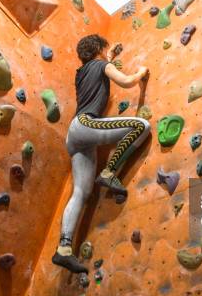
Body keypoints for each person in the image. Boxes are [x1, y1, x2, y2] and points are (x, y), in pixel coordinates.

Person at [52, 34, 151, 274]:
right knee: (141, 126)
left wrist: (109, 55)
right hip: (87, 124)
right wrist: (141, 72)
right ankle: (109, 172)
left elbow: (98, 65)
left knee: (81, 192)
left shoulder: (82, 72)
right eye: (103, 50)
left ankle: (63, 249)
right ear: (98, 50)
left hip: (76, 135)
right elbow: (126, 81)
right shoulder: (102, 65)